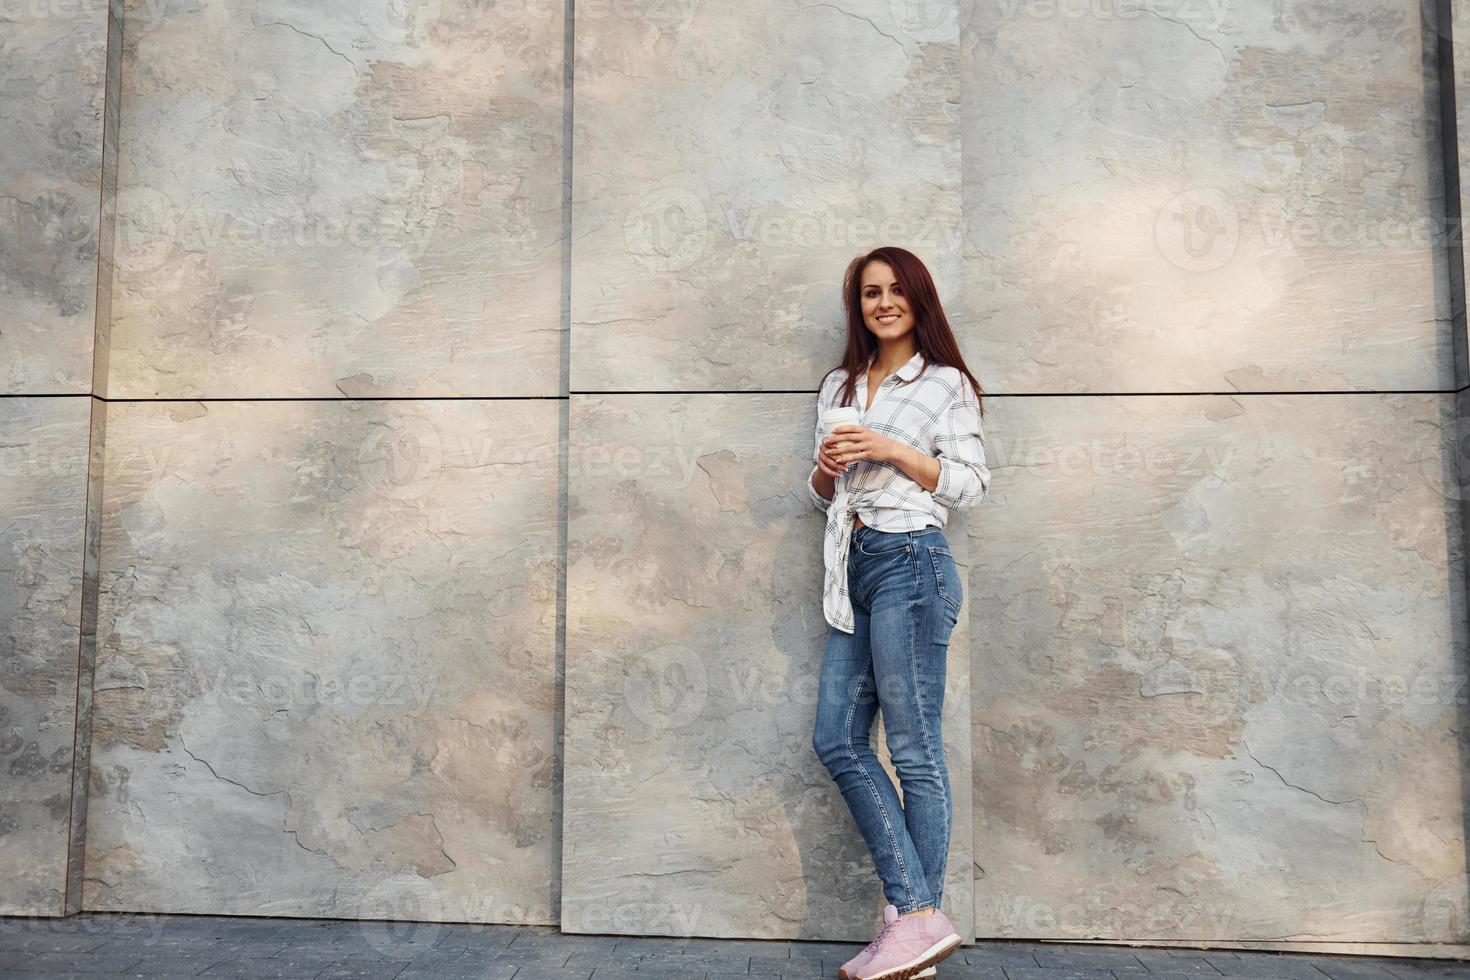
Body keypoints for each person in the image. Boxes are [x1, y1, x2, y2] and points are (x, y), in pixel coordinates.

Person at [807, 246, 991, 980]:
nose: (882, 303)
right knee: (838, 739)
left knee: (914, 752)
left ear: (918, 298)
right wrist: (827, 468)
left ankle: (911, 924)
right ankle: (918, 918)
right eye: (869, 293)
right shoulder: (838, 384)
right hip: (853, 566)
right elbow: (822, 494)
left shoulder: (946, 383)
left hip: (913, 560)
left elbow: (971, 484)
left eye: (894, 291)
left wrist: (890, 447)